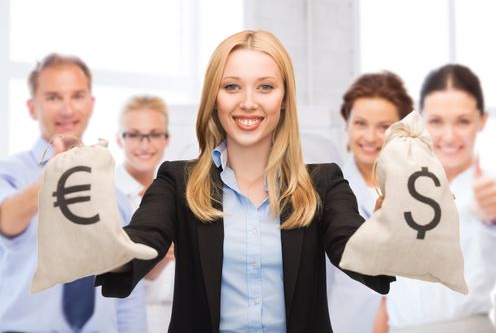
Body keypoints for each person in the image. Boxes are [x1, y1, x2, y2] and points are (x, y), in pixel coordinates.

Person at [95, 30, 395, 332]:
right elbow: (137, 245)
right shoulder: (177, 182)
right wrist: (88, 228)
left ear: (283, 99)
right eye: (232, 87)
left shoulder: (324, 184)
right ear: (214, 97)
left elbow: (358, 253)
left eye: (265, 87)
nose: (248, 102)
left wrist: (390, 226)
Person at [0, 53, 147, 332]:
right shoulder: (9, 173)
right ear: (32, 107)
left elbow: (128, 289)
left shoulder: (114, 196)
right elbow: (6, 220)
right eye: (53, 97)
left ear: (90, 104)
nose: (67, 109)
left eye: (77, 96)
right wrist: (49, 181)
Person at [381, 64, 496, 332]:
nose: (449, 136)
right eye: (436, 121)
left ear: (482, 120)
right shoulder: (397, 187)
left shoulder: (488, 190)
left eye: (463, 121)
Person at [326, 71, 414, 333]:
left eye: (384, 126)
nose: (370, 137)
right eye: (360, 123)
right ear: (347, 124)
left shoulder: (420, 189)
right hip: (347, 323)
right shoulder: (327, 190)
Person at [116, 95, 175, 332]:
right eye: (134, 134)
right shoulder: (107, 197)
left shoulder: (173, 194)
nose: (145, 144)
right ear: (120, 140)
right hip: (127, 319)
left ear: (166, 139)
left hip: (173, 316)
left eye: (154, 134)